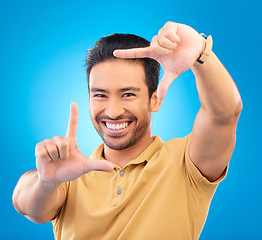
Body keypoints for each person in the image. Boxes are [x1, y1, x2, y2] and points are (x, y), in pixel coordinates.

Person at [12, 21, 242, 240]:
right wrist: (46, 182)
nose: (112, 112)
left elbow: (223, 114)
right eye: (100, 95)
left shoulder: (186, 163)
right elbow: (27, 206)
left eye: (128, 94)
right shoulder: (69, 174)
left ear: (155, 100)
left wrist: (201, 53)